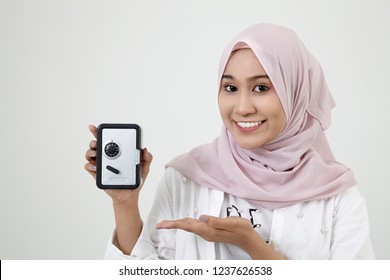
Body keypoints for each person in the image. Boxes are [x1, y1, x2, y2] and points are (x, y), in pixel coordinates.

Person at [84, 23, 375, 259]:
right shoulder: (186, 178)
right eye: (230, 87)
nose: (242, 107)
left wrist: (255, 247)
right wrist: (125, 203)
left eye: (261, 87)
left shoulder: (337, 196)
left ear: (297, 92)